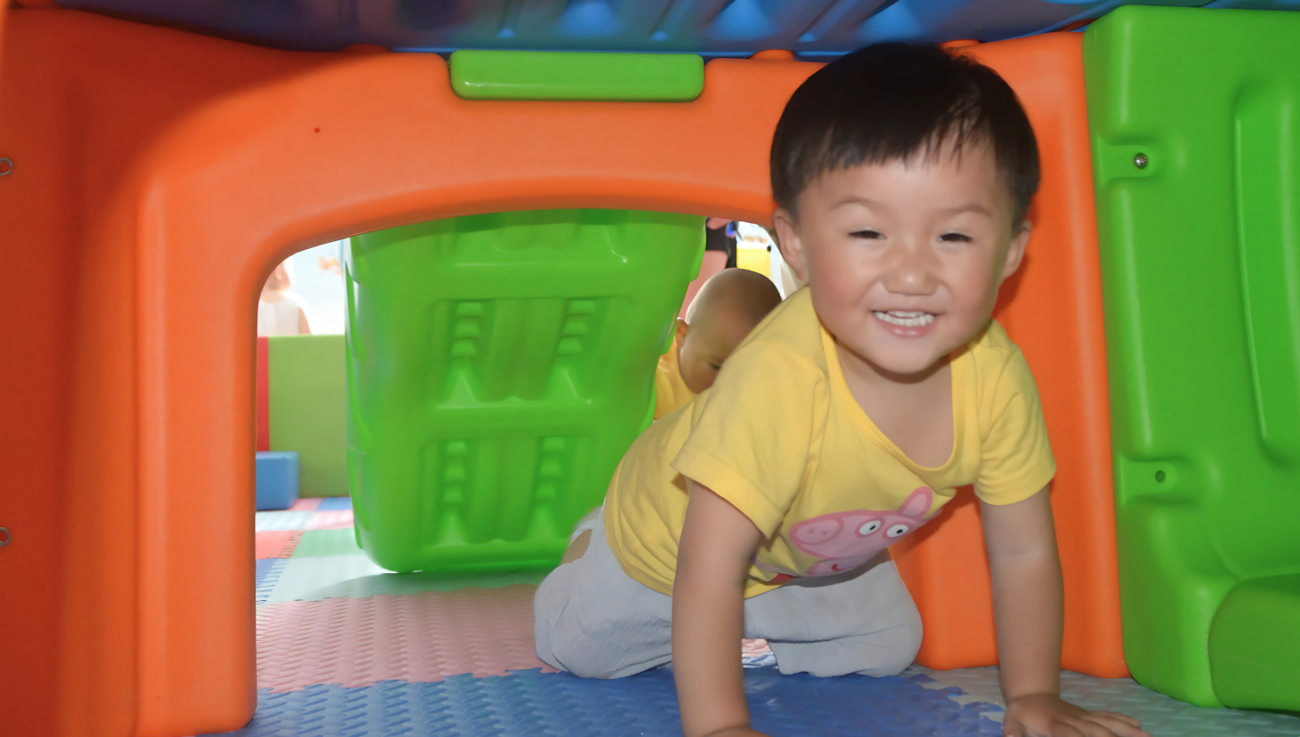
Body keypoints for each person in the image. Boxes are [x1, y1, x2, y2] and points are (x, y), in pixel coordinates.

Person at [535, 42, 1150, 737]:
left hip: (797, 563)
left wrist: (1034, 694)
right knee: (577, 647)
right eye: (868, 231)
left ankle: (747, 621)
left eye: (953, 235)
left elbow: (1023, 550)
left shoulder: (996, 382)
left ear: (1010, 249)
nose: (912, 274)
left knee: (888, 645)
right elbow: (707, 563)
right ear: (794, 243)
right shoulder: (777, 378)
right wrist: (720, 725)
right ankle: (589, 542)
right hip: (666, 545)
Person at [655, 268, 782, 420]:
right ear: (681, 335)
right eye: (717, 367)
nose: (729, 382)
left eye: (746, 373)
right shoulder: (653, 382)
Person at [257, 258, 312, 337]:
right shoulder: (296, 302)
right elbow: (309, 341)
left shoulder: (251, 306)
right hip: (292, 349)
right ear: (278, 272)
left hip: (261, 349)